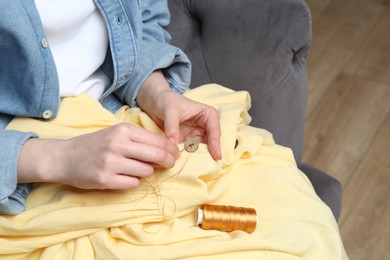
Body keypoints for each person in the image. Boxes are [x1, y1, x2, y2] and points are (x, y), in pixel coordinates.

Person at [0, 0, 221, 215]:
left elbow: (143, 23)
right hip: (22, 166)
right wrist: (60, 158)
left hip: (121, 113)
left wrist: (158, 93)